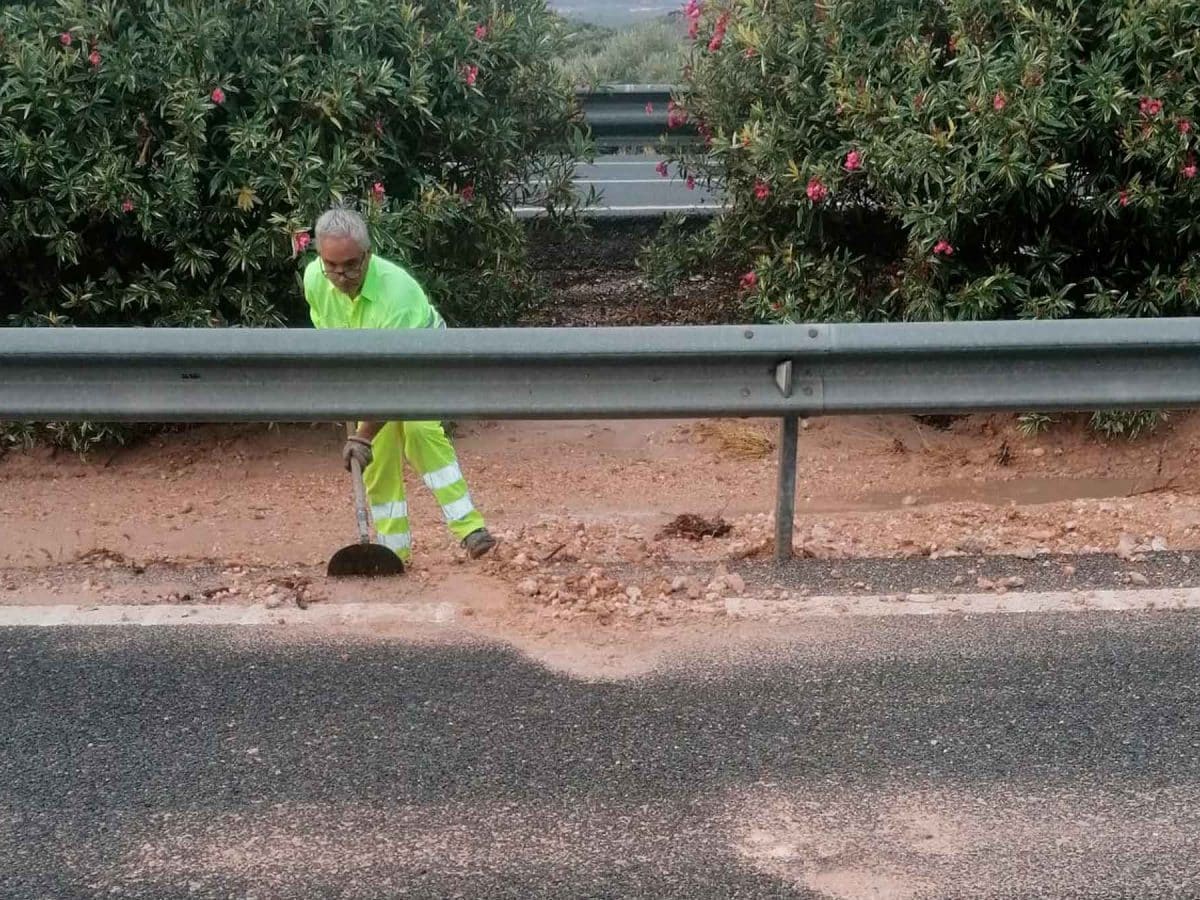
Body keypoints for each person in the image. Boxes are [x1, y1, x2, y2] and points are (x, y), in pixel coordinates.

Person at [303, 207, 496, 562]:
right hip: (367, 368)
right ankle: (393, 553)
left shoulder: (397, 294)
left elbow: (397, 378)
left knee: (420, 431)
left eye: (350, 265)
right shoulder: (315, 279)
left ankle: (469, 527)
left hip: (422, 363)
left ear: (367, 254)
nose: (340, 276)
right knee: (378, 457)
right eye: (332, 265)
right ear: (320, 258)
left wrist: (361, 435)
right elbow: (328, 340)